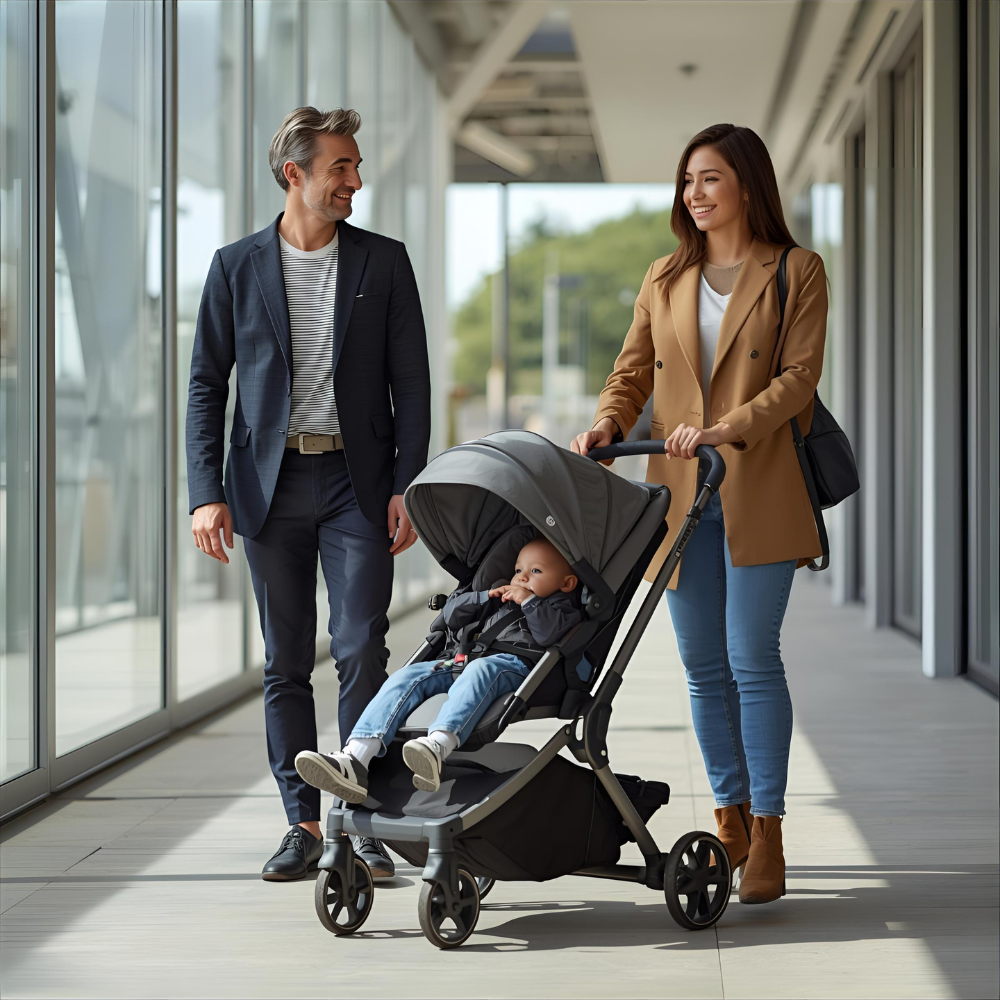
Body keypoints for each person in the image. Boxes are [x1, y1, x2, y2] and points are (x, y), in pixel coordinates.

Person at [572, 124, 828, 905]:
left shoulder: (796, 269)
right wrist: (608, 424)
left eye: (710, 179)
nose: (695, 194)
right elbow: (632, 372)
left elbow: (799, 379)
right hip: (681, 496)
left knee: (753, 658)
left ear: (747, 185)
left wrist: (728, 425)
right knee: (703, 670)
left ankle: (773, 828)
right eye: (688, 181)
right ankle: (731, 818)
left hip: (761, 485)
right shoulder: (665, 276)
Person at [186, 107, 431, 882]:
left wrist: (408, 486)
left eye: (355, 168)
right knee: (285, 660)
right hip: (268, 487)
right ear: (295, 174)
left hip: (358, 486)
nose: (355, 181)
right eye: (341, 169)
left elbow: (413, 387)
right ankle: (302, 824)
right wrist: (204, 492)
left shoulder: (383, 263)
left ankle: (358, 819)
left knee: (361, 645)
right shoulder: (234, 267)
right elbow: (205, 387)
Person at [294, 537, 583, 800]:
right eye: (519, 569)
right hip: (462, 659)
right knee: (407, 675)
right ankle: (355, 758)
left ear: (567, 583)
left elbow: (548, 635)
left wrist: (530, 601)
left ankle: (437, 746)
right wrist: (486, 597)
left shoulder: (562, 608)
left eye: (536, 572)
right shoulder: (499, 597)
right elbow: (451, 617)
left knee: (480, 672)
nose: (522, 577)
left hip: (511, 665)